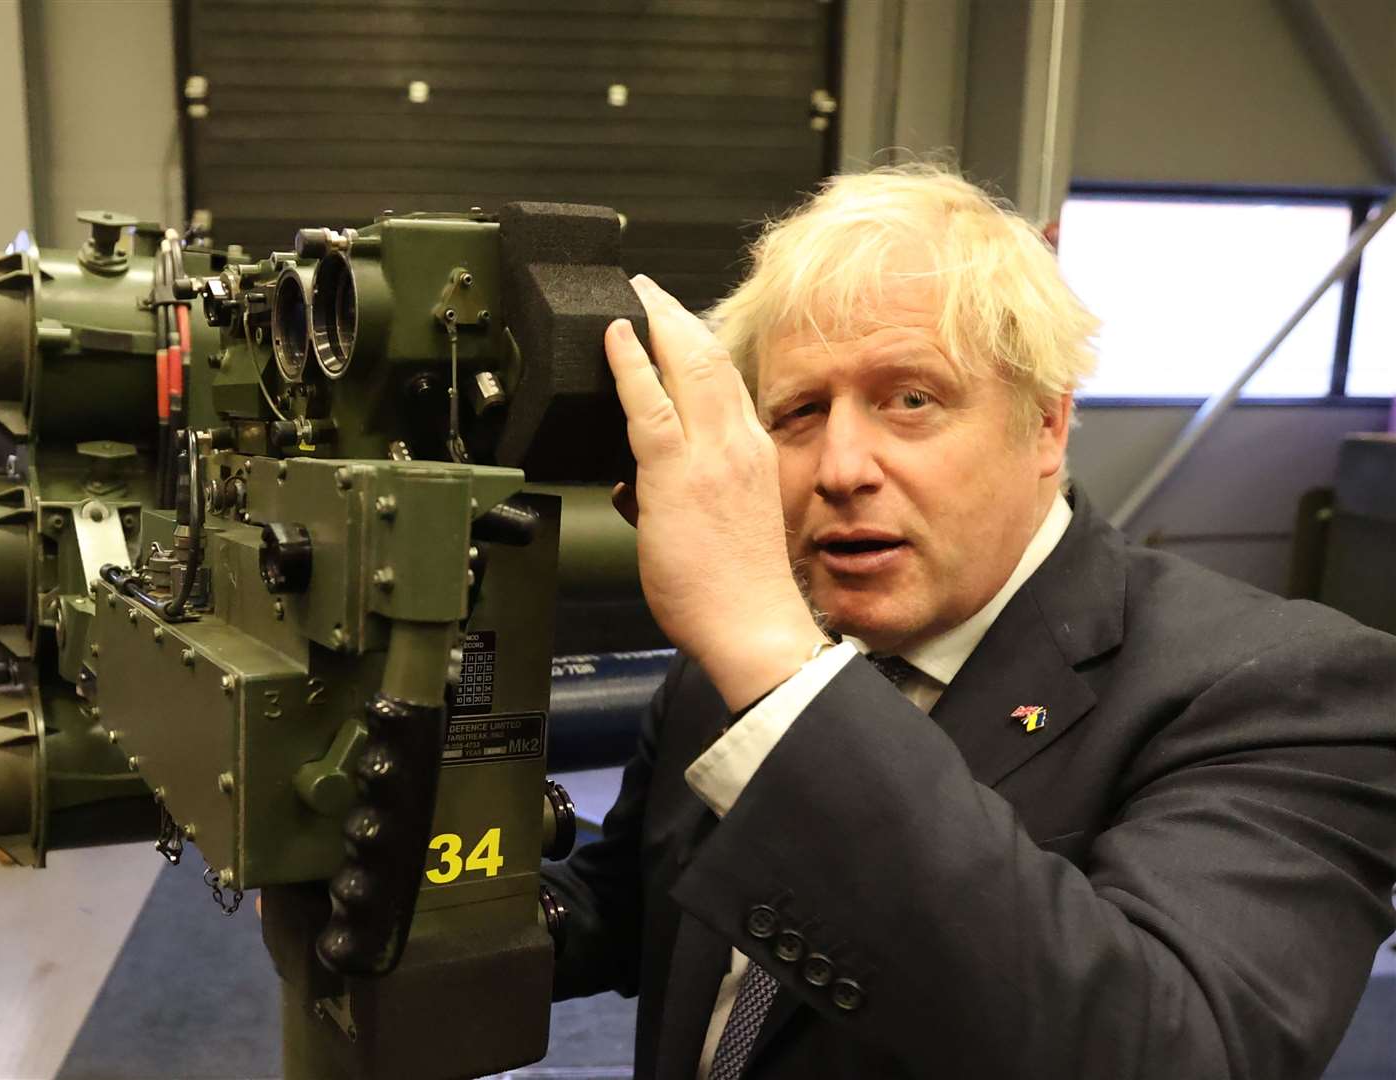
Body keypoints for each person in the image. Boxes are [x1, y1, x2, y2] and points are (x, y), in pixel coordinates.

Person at [543, 164, 1396, 1080]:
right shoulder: (739, 661)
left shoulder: (1290, 690)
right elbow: (638, 903)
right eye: (797, 412)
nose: (840, 467)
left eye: (911, 399)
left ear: (1047, 425)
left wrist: (774, 659)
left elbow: (1170, 1051)